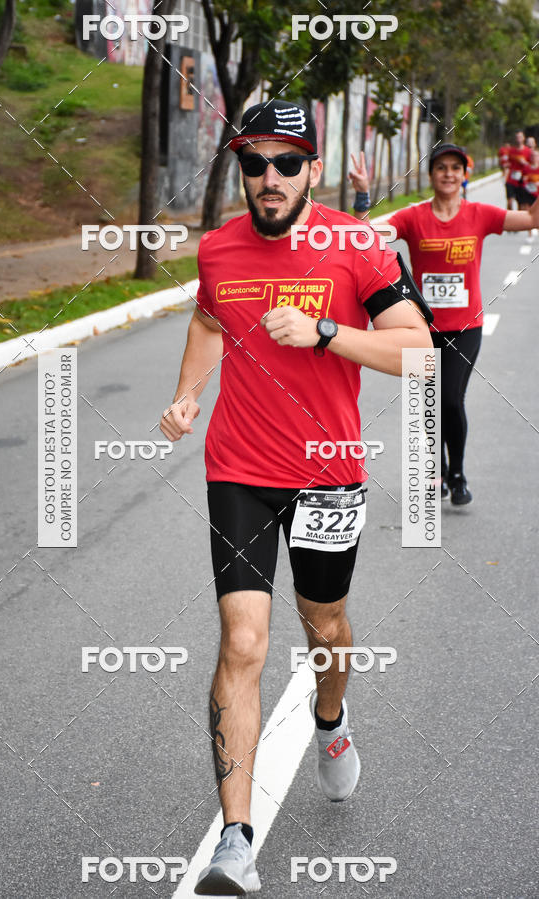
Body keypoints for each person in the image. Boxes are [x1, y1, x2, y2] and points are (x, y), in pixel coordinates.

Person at [159, 99, 433, 895]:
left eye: (286, 162)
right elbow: (210, 322)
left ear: (314, 166)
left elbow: (418, 349)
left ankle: (330, 717)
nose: (268, 178)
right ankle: (235, 842)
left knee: (327, 626)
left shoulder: (358, 245)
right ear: (239, 169)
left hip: (329, 470)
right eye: (253, 162)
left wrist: (325, 333)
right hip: (239, 466)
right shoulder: (218, 247)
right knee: (243, 640)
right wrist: (186, 397)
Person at [350, 143, 539, 504]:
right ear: (431, 175)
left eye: (456, 167)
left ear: (464, 175)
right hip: (421, 330)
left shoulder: (480, 214)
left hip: (466, 327)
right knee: (427, 402)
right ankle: (434, 472)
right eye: (441, 168)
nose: (449, 174)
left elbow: (532, 220)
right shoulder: (413, 217)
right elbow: (363, 237)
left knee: (450, 398)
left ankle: (457, 472)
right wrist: (362, 194)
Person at [505, 130, 531, 210]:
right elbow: (507, 163)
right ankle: (510, 218)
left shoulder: (528, 151)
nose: (518, 139)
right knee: (510, 201)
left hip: (521, 180)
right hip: (511, 179)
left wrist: (525, 163)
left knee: (521, 204)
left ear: (523, 138)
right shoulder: (511, 151)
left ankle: (518, 221)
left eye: (520, 137)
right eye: (517, 137)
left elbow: (532, 166)